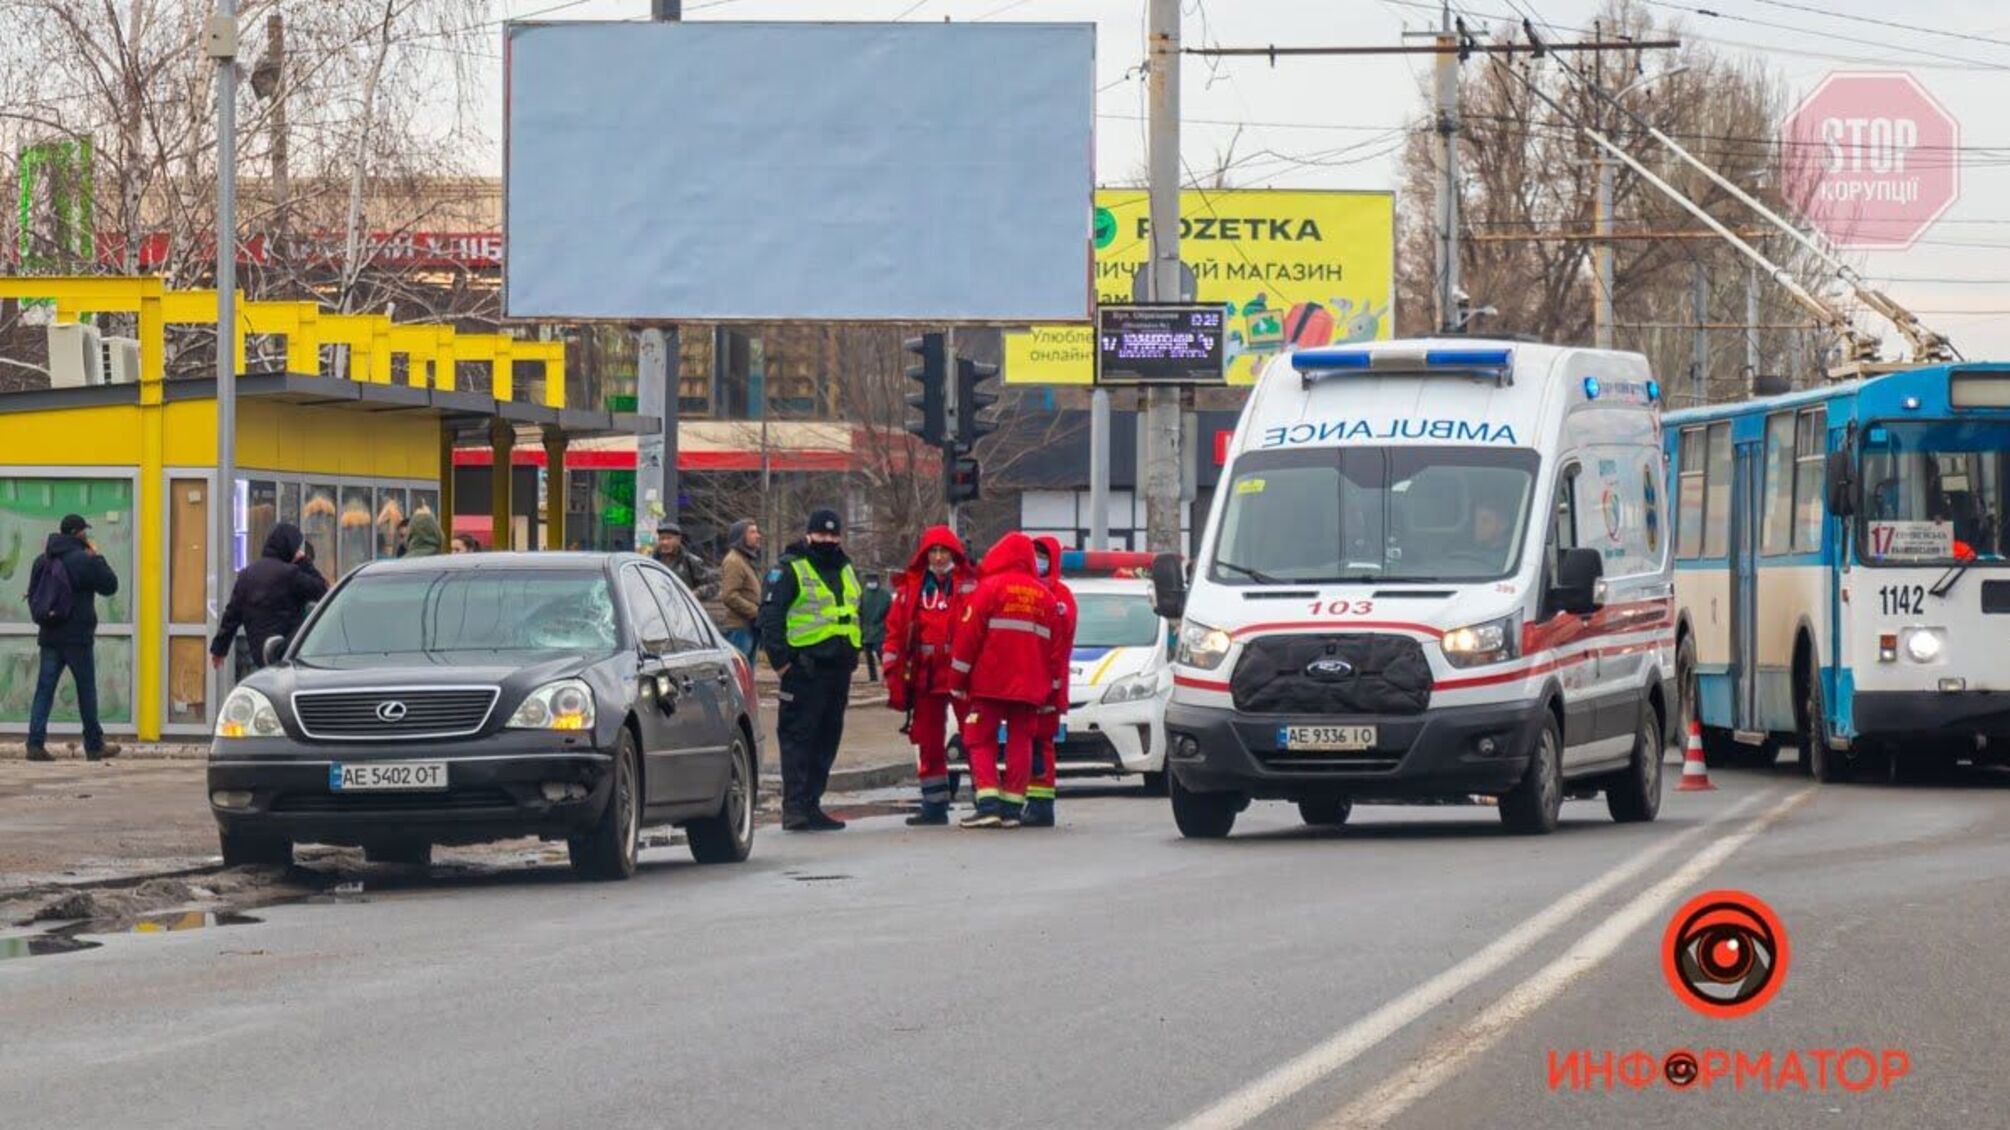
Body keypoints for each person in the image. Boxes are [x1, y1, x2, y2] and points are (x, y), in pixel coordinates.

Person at [758, 509, 863, 831]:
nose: (828, 540)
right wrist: (783, 664)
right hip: (804, 670)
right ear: (809, 534)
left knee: (826, 739)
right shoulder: (789, 568)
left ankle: (811, 804)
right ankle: (795, 809)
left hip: (838, 670)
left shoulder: (844, 567)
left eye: (834, 535)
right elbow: (771, 618)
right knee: (798, 739)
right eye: (822, 535)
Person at [947, 532, 1061, 829]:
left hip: (990, 683)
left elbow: (967, 640)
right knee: (1021, 741)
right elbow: (1054, 651)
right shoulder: (1045, 597)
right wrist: (1050, 691)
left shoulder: (989, 589)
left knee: (979, 738)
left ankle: (988, 805)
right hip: (1030, 687)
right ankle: (1012, 808)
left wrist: (957, 680)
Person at [881, 526, 974, 826]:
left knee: (974, 736)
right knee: (928, 741)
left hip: (962, 672)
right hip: (925, 674)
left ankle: (986, 799)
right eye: (932, 552)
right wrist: (892, 672)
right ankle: (934, 805)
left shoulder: (970, 584)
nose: (937, 557)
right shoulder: (911, 589)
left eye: (943, 551)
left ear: (954, 553)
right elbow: (895, 632)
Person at [23, 515, 121, 762]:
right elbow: (110, 585)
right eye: (85, 532)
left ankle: (35, 744)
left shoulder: (42, 560)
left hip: (50, 635)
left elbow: (34, 595)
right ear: (78, 533)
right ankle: (94, 744)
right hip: (77, 637)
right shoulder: (83, 560)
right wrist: (97, 556)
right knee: (86, 690)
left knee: (44, 690)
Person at [211, 523, 329, 673]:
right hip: (288, 653)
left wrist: (219, 649)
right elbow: (322, 591)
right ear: (290, 546)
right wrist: (304, 562)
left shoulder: (247, 575)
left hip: (259, 655)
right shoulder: (291, 574)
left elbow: (231, 616)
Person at [1024, 536, 1077, 829]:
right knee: (1029, 741)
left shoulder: (1061, 595)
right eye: (1034, 555)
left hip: (1048, 679)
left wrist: (1052, 681)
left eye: (1043, 556)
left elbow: (1060, 638)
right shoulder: (1027, 590)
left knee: (1041, 741)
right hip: (1028, 677)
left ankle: (1042, 804)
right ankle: (1032, 799)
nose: (1038, 561)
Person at [716, 519, 763, 660]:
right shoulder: (734, 561)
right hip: (739, 628)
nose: (758, 535)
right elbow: (729, 596)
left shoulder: (745, 560)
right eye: (752, 532)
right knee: (739, 674)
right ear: (741, 537)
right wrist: (756, 612)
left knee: (748, 675)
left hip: (749, 627)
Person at [654, 521, 720, 601]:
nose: (664, 542)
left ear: (678, 540)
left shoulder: (690, 561)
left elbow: (714, 586)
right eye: (662, 538)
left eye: (669, 538)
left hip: (682, 609)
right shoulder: (652, 562)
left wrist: (696, 593)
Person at [858, 571, 892, 684]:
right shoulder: (864, 594)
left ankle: (888, 675)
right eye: (869, 580)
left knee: (880, 652)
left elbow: (890, 612)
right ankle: (873, 677)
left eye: (873, 580)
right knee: (868, 655)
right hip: (867, 629)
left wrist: (886, 625)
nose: (871, 582)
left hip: (880, 629)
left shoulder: (885, 595)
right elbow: (860, 611)